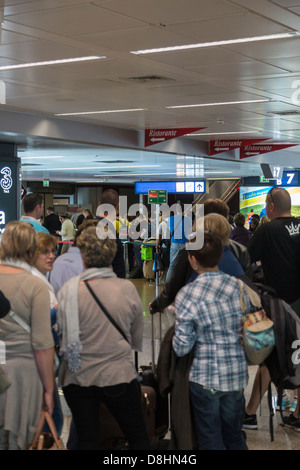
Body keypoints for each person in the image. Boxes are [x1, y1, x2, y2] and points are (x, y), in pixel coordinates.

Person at [56, 225, 151, 450]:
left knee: (87, 439)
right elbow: (136, 340)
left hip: (78, 378)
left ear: (83, 256)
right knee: (138, 436)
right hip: (117, 374)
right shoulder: (126, 289)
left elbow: (66, 341)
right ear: (112, 254)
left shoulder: (68, 290)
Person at [173, 231, 250, 450]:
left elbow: (181, 347)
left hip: (205, 377)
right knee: (234, 436)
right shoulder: (239, 287)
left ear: (193, 259)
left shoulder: (188, 294)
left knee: (210, 438)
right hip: (236, 375)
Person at [244, 187, 300, 431]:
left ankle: (249, 413)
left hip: (279, 304)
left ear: (271, 207)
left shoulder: (266, 230)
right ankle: (298, 415)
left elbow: (246, 262)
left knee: (268, 357)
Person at [0, 221, 55, 449]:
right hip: (23, 375)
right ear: (31, 249)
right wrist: (49, 389)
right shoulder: (36, 285)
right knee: (18, 440)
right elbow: (42, 344)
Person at [150, 198, 251, 314]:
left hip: (197, 314)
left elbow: (173, 285)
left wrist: (157, 304)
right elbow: (247, 285)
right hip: (234, 315)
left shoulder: (191, 250)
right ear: (227, 219)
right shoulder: (240, 251)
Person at [32, 232, 64, 436]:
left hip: (43, 361)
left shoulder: (41, 280)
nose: (51, 256)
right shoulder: (36, 284)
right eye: (45, 252)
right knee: (53, 418)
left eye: (53, 251)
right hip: (39, 361)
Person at [96, 189, 125, 278]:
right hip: (109, 283)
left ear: (99, 205)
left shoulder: (87, 227)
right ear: (118, 207)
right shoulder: (109, 230)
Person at [165, 205, 192, 283]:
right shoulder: (188, 220)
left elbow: (168, 231)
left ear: (176, 210)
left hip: (175, 244)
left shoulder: (170, 219)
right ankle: (184, 282)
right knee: (185, 265)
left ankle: (169, 282)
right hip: (185, 245)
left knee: (172, 265)